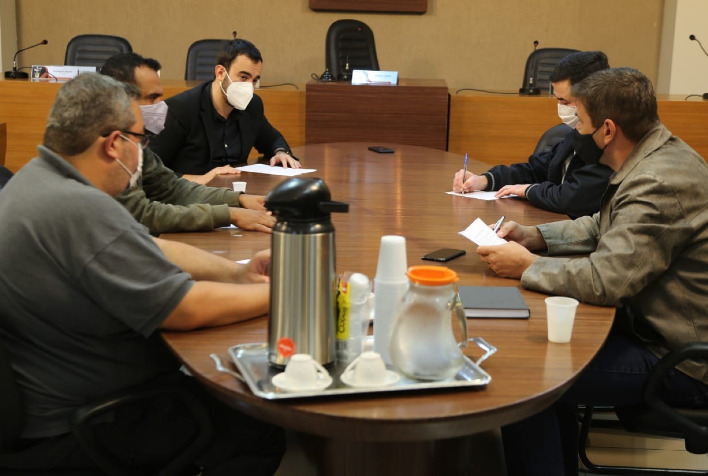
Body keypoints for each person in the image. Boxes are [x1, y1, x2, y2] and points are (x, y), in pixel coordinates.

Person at [0, 73, 284, 475]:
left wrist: (238, 276)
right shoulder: (77, 207)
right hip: (89, 420)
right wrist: (293, 290)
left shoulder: (37, 179)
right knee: (257, 425)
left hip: (64, 395)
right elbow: (185, 309)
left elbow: (149, 246)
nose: (143, 150)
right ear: (114, 144)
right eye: (141, 139)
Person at [476, 67, 708, 475]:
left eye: (578, 120)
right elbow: (604, 225)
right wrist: (537, 237)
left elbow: (606, 281)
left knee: (527, 381)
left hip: (679, 358)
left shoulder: (658, 181)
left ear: (607, 130)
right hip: (652, 328)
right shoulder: (655, 154)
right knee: (542, 362)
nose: (572, 131)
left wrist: (527, 266)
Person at [100, 52, 276, 234]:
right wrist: (228, 214)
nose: (161, 106)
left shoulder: (134, 143)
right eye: (152, 98)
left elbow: (172, 189)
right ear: (119, 98)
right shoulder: (105, 147)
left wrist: (239, 199)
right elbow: (144, 215)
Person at [452, 51, 614, 218]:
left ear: (591, 98)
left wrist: (530, 190)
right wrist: (485, 180)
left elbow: (573, 197)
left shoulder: (609, 144)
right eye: (556, 99)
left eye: (565, 101)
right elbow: (536, 170)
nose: (559, 107)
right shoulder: (576, 134)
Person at [150, 38, 300, 184]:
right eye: (243, 77)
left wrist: (280, 152)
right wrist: (200, 179)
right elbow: (151, 172)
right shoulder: (180, 108)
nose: (249, 87)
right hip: (191, 199)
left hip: (234, 194)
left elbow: (272, 139)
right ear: (220, 72)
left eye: (254, 80)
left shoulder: (252, 105)